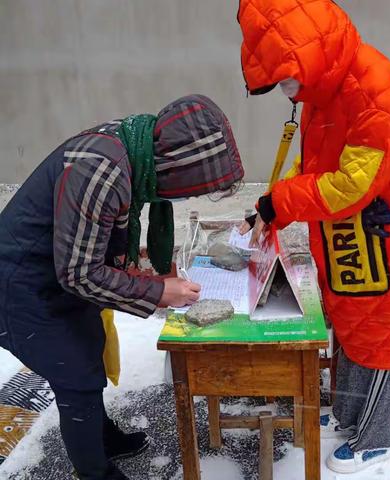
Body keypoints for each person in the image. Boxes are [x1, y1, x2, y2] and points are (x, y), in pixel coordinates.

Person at [238, 0, 390, 473]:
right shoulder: (326, 92)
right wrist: (270, 204)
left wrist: (285, 201)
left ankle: (375, 438)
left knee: (385, 338)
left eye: (287, 78)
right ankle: (349, 414)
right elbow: (315, 167)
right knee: (353, 328)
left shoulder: (376, 92)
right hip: (356, 234)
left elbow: (353, 183)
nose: (286, 91)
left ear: (312, 57)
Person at [0, 94, 244, 480]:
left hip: (55, 272)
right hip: (21, 284)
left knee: (87, 349)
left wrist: (148, 279)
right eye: (191, 188)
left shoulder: (132, 150)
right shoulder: (101, 169)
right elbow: (80, 274)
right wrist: (158, 292)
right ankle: (95, 471)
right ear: (175, 166)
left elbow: (94, 244)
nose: (186, 196)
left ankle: (101, 438)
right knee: (76, 375)